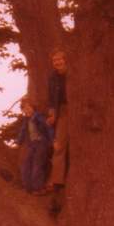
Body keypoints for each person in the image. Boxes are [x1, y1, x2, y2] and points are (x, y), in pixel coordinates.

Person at [17, 98, 53, 195]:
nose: (27, 110)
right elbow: (23, 132)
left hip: (41, 143)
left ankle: (39, 188)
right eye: (24, 109)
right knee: (26, 165)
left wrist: (52, 140)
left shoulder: (39, 117)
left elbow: (48, 127)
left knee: (38, 164)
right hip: (32, 145)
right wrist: (18, 142)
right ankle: (28, 187)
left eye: (29, 107)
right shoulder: (26, 120)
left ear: (33, 108)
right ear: (23, 111)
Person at [46, 50, 68, 191]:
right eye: (55, 60)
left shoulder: (73, 73)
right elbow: (51, 99)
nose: (57, 62)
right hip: (64, 110)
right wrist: (52, 114)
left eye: (60, 59)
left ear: (65, 60)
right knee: (59, 144)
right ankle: (57, 180)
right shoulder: (53, 77)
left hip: (79, 109)